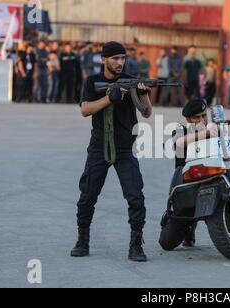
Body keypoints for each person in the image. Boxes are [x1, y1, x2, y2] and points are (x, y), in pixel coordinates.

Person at [71, 41, 152, 262]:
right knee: (87, 196)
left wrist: (143, 93)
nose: (120, 63)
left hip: (125, 149)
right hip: (99, 147)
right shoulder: (92, 81)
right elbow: (85, 110)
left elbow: (146, 113)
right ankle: (82, 240)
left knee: (136, 196)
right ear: (104, 59)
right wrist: (110, 97)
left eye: (123, 58)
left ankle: (136, 243)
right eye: (115, 58)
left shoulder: (131, 80)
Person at [159, 99, 218, 251]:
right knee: (167, 241)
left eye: (204, 116)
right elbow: (178, 143)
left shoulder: (213, 130)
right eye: (197, 117)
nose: (202, 120)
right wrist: (204, 133)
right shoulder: (181, 131)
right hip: (188, 192)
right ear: (188, 119)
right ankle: (188, 227)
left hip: (214, 187)